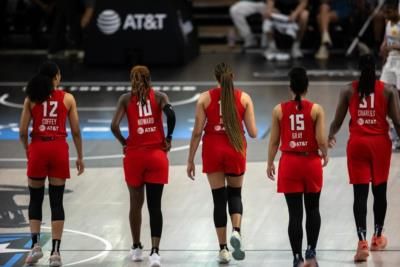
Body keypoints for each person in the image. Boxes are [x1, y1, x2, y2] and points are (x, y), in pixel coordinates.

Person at [328, 54, 400, 262]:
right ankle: (377, 237)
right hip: (380, 145)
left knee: (360, 195)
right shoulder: (388, 90)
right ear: (377, 68)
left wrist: (329, 136)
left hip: (357, 144)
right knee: (380, 192)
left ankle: (362, 243)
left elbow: (338, 121)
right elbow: (397, 122)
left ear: (358, 69)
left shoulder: (348, 90)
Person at [186, 62, 257, 263]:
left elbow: (197, 132)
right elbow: (252, 132)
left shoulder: (205, 98)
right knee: (235, 194)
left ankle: (223, 249)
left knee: (219, 199)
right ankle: (236, 231)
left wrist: (190, 159)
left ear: (215, 77)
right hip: (235, 148)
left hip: (213, 149)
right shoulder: (244, 98)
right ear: (232, 77)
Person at [19, 61, 84, 267]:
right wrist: (80, 156)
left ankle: (35, 246)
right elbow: (75, 131)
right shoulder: (68, 98)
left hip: (38, 148)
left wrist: (27, 150)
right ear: (56, 77)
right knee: (57, 202)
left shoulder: (31, 98)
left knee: (35, 200)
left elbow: (22, 131)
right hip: (58, 149)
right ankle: (55, 253)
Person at [111, 65, 176, 267]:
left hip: (135, 157)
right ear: (149, 78)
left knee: (135, 204)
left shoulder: (124, 99)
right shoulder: (159, 97)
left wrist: (125, 142)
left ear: (132, 78)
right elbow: (171, 115)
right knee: (154, 206)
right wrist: (169, 137)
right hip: (157, 156)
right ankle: (155, 253)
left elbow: (113, 126)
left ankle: (137, 247)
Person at [267, 67, 328, 267]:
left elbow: (274, 142)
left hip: (290, 164)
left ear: (290, 87)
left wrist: (269, 163)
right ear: (307, 87)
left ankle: (296, 257)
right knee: (313, 209)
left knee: (295, 214)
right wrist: (325, 153)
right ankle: (311, 250)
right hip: (310, 163)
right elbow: (320, 139)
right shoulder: (316, 109)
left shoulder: (278, 109)